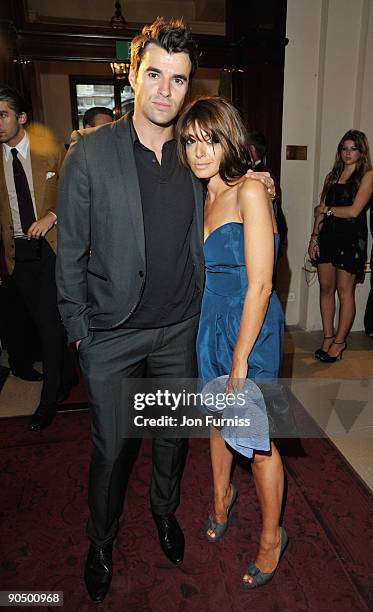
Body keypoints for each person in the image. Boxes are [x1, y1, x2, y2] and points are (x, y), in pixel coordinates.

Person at [56, 18, 274, 603]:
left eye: (178, 80)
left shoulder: (192, 154)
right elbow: (70, 251)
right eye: (154, 74)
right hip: (112, 335)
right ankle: (100, 542)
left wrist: (256, 179)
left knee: (173, 439)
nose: (165, 91)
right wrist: (80, 334)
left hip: (180, 329)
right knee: (113, 448)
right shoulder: (90, 155)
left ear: (187, 85)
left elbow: (233, 182)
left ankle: (164, 513)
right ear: (133, 74)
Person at [176, 96, 287, 589]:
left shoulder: (250, 191)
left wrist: (241, 357)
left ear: (230, 139)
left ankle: (271, 536)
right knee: (218, 423)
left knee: (258, 444)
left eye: (210, 140)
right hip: (210, 322)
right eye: (190, 142)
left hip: (250, 325)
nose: (199, 153)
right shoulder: (198, 193)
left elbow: (261, 284)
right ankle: (222, 497)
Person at [0, 85, 76, 430]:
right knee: (45, 323)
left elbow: (77, 196)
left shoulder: (52, 152)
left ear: (21, 118)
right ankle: (67, 376)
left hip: (52, 247)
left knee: (48, 325)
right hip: (18, 253)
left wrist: (52, 215)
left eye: (2, 115)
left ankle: (48, 402)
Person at [309, 130, 373, 362]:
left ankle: (339, 342)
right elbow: (320, 208)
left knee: (345, 292)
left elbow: (354, 211)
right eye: (344, 148)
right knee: (326, 288)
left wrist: (326, 211)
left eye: (353, 149)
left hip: (350, 238)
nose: (348, 153)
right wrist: (314, 236)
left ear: (361, 151)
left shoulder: (367, 176)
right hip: (327, 236)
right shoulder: (332, 175)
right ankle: (327, 337)